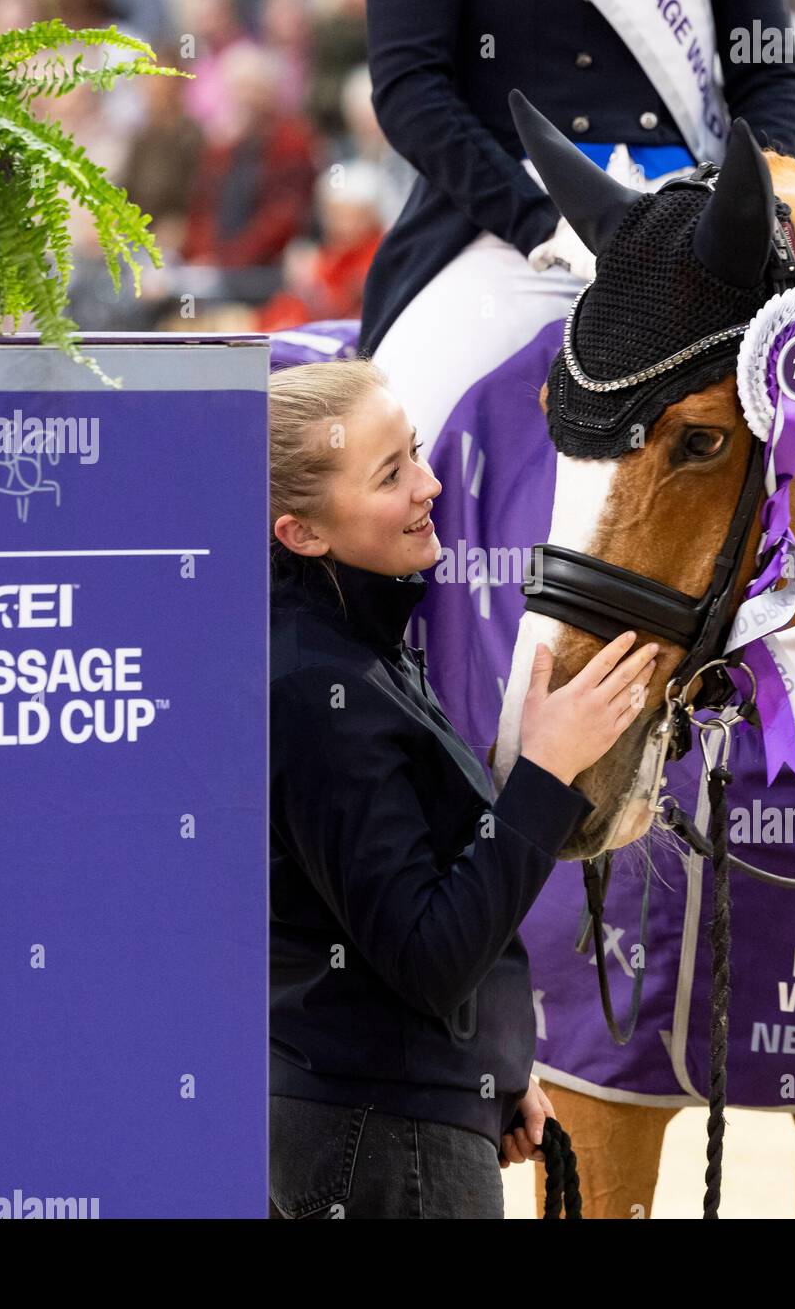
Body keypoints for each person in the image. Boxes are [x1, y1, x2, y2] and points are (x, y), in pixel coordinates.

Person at [267, 359, 661, 1219]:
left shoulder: (351, 647)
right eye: (392, 474)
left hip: (394, 1117)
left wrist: (482, 1071)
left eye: (414, 453)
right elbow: (427, 952)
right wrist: (548, 775)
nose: (430, 483)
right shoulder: (315, 689)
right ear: (301, 534)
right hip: (378, 1142)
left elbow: (382, 930)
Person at [359, 0, 795, 449]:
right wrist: (540, 222)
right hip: (510, 221)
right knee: (399, 434)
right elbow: (410, 89)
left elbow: (768, 70)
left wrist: (735, 204)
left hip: (690, 218)